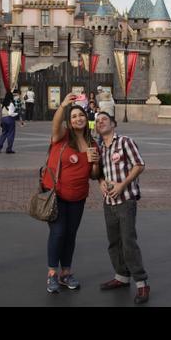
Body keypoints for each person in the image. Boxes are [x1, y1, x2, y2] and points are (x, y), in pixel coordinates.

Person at [92, 111, 150, 304]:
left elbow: (139, 165)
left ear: (113, 124)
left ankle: (141, 284)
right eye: (97, 121)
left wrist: (122, 184)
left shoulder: (125, 142)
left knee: (128, 242)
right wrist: (100, 181)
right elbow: (98, 171)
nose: (100, 123)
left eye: (104, 120)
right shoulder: (99, 147)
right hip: (109, 202)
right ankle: (121, 277)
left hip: (126, 199)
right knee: (114, 242)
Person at [42, 93, 97, 293]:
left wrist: (95, 161)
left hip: (78, 197)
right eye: (73, 117)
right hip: (56, 195)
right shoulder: (62, 137)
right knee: (58, 233)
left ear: (86, 118)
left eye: (80, 115)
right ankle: (51, 274)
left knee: (71, 235)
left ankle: (66, 272)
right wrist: (64, 105)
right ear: (69, 121)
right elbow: (55, 125)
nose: (78, 119)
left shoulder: (92, 143)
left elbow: (94, 174)